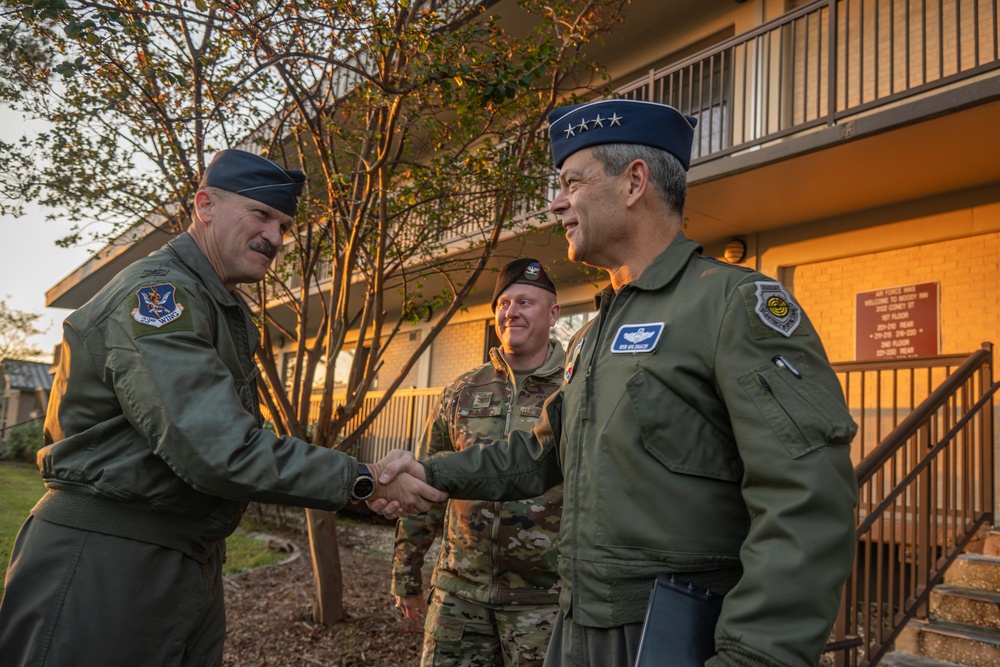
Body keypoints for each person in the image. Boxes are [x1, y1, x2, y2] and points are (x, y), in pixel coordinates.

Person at [372, 99, 859, 667]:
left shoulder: (731, 305)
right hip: (577, 625)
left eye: (572, 183)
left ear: (634, 184)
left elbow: (805, 499)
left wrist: (755, 657)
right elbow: (538, 454)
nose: (556, 203)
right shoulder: (593, 334)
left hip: (671, 631)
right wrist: (429, 471)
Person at [0, 149, 446, 667]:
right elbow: (216, 448)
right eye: (260, 215)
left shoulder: (213, 301)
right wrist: (364, 479)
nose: (276, 238)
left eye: (283, 224)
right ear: (205, 206)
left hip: (176, 556)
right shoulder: (159, 296)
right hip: (109, 559)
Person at [392, 258, 565, 667]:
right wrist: (406, 572)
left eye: (525, 302)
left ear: (554, 313)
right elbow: (424, 483)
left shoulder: (573, 392)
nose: (511, 312)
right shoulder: (462, 391)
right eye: (504, 303)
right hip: (460, 595)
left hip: (544, 600)